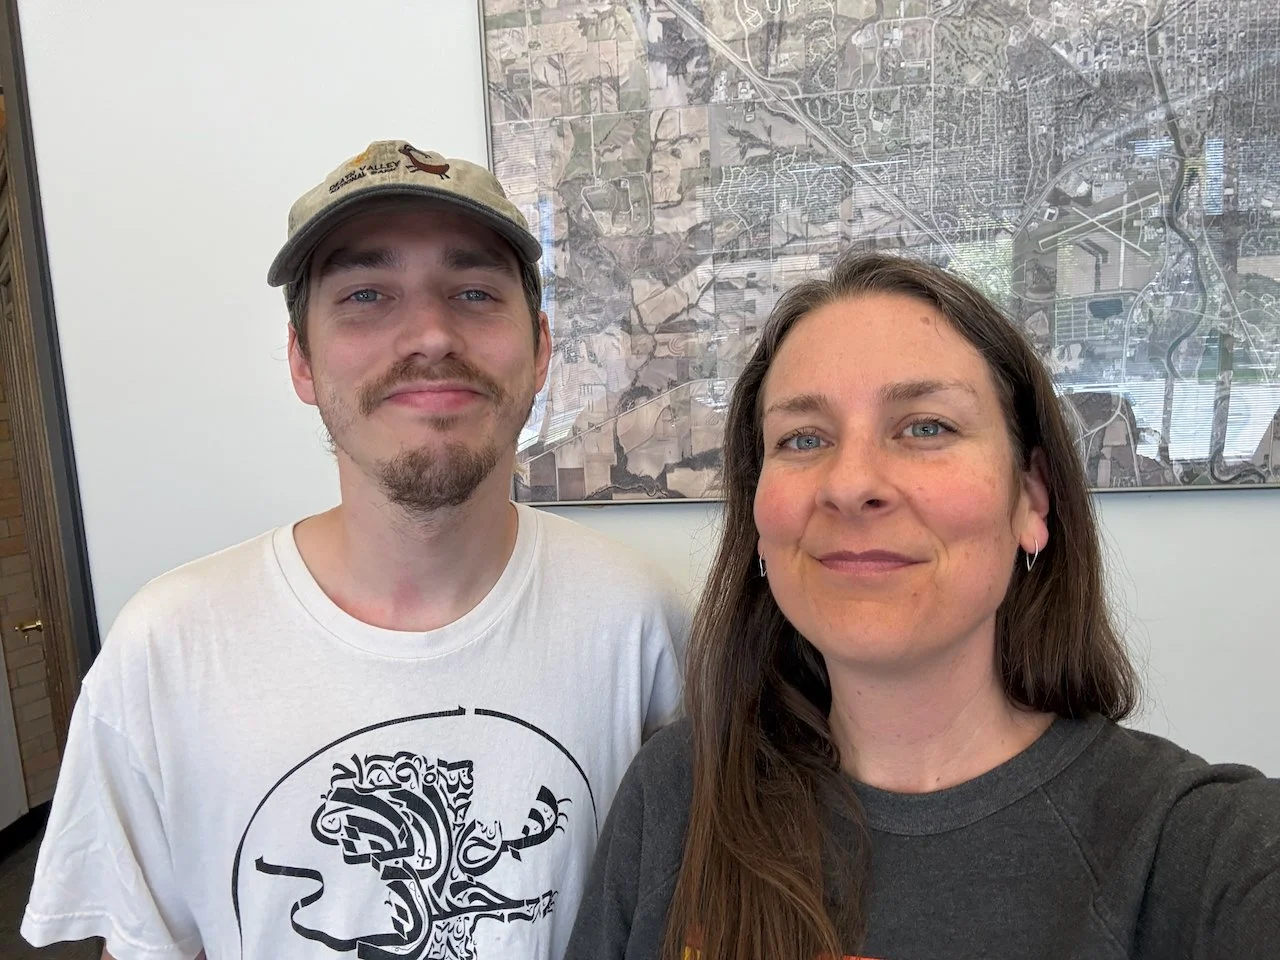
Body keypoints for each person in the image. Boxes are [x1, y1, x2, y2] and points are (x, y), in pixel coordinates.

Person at [22, 140, 687, 960]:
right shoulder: (165, 648)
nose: (433, 334)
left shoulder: (640, 620)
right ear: (301, 357)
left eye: (475, 292)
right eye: (367, 294)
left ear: (541, 348)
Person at [565, 251, 1280, 960]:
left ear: (1030, 498)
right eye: (803, 438)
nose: (850, 484)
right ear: (757, 520)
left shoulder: (1205, 851)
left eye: (926, 427)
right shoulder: (677, 794)